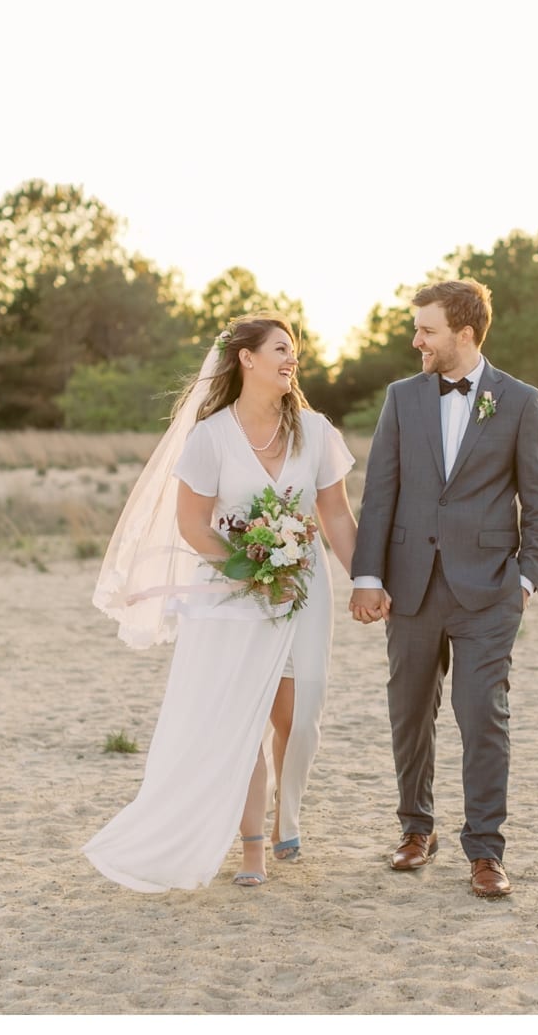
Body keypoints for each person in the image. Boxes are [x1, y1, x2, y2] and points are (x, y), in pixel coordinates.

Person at [86, 313, 359, 891]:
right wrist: (251, 571)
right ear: (246, 359)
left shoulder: (316, 431)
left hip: (305, 589)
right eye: (281, 348)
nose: (292, 359)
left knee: (299, 719)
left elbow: (334, 513)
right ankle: (253, 848)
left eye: (296, 351)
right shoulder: (210, 437)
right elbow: (192, 524)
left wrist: (366, 579)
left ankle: (289, 812)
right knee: (246, 717)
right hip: (235, 594)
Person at [349, 278, 538, 899]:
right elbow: (380, 490)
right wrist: (367, 574)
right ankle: (416, 829)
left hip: (490, 590)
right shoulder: (401, 398)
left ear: (464, 334)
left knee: (482, 715)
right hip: (410, 587)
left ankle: (486, 851)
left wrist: (526, 579)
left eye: (427, 329)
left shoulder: (520, 401)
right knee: (410, 712)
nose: (416, 340)